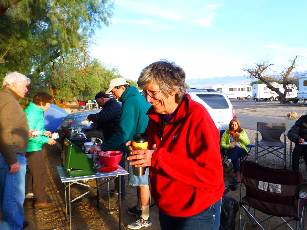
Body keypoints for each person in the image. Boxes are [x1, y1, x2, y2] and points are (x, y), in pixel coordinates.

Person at [127, 61, 224, 230]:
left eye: (153, 92)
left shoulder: (197, 117)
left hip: (197, 210)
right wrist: (141, 149)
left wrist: (155, 158)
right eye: (145, 92)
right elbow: (159, 148)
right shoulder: (157, 118)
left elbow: (211, 175)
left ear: (173, 90)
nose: (148, 99)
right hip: (167, 206)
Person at [103, 78, 151, 229]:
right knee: (140, 182)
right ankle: (139, 208)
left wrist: (104, 147)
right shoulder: (135, 97)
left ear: (122, 87)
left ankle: (145, 217)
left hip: (140, 147)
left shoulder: (130, 102)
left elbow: (124, 132)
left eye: (114, 91)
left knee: (142, 183)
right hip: (142, 144)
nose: (113, 95)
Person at [0, 72, 30, 229]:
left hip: (8, 155)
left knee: (7, 199)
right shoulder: (8, 100)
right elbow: (3, 131)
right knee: (12, 201)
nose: (26, 90)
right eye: (25, 86)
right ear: (12, 84)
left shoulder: (6, 98)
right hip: (10, 157)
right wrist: (12, 160)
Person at [24, 92, 57, 209]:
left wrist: (44, 132)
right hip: (33, 148)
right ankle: (41, 201)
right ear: (42, 103)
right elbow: (29, 134)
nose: (49, 106)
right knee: (40, 174)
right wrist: (46, 140)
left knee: (34, 172)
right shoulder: (32, 113)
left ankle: (30, 193)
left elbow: (36, 129)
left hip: (34, 146)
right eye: (48, 104)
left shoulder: (37, 111)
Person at [220, 118, 250, 184]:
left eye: (235, 125)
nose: (233, 126)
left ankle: (228, 160)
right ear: (230, 125)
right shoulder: (227, 132)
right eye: (232, 125)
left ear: (238, 125)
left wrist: (240, 136)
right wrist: (229, 146)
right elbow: (222, 144)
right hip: (230, 150)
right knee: (235, 156)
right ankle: (238, 175)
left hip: (241, 150)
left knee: (235, 148)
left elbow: (247, 143)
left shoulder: (242, 132)